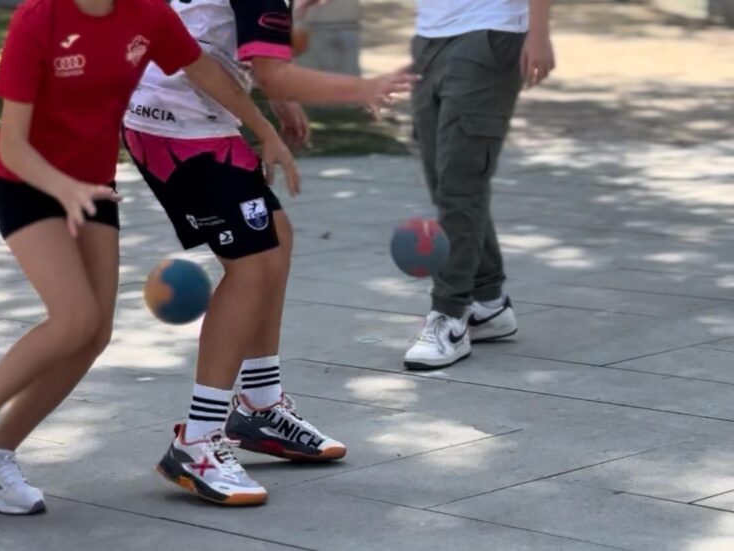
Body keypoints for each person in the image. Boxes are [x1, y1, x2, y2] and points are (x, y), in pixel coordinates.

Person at [0, 0, 297, 515]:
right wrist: (66, 189)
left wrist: (265, 128)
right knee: (74, 319)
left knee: (94, 334)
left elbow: (203, 69)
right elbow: (12, 145)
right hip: (26, 183)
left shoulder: (147, 14)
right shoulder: (39, 18)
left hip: (93, 187)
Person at [122, 0, 415, 506]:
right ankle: (196, 442)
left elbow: (242, 46)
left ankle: (259, 407)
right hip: (177, 124)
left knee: (275, 240)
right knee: (252, 266)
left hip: (190, 112)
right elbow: (270, 71)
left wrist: (271, 103)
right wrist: (360, 89)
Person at [404, 0, 556, 370]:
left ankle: (449, 315)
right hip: (429, 36)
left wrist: (538, 31)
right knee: (444, 180)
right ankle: (488, 304)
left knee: (459, 182)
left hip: (489, 31)